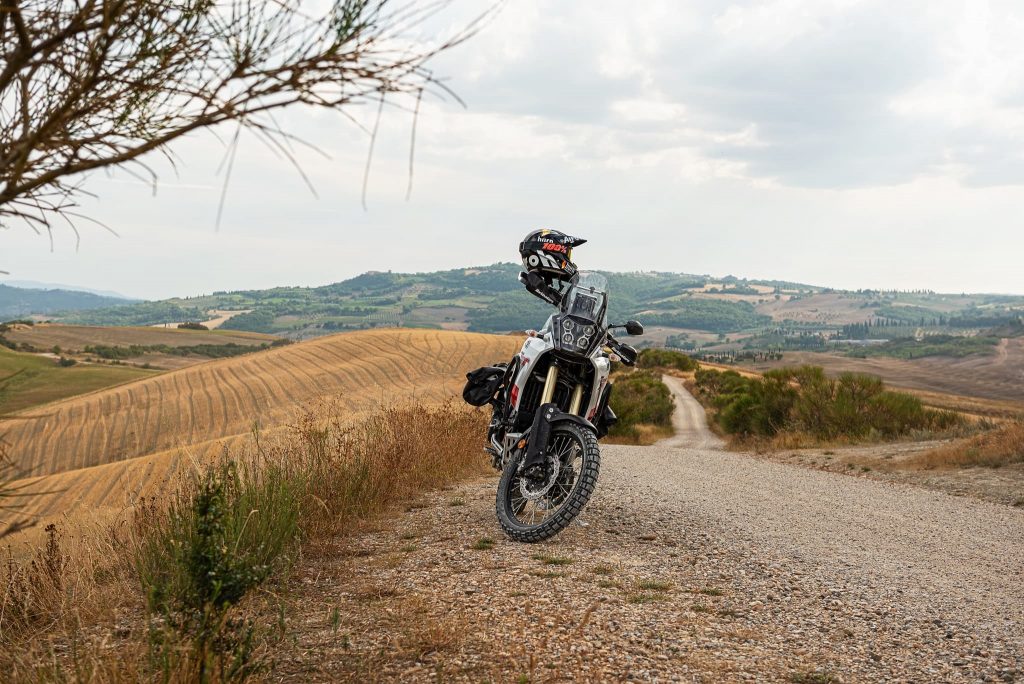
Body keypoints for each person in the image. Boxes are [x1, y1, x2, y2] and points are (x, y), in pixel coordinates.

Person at [518, 229, 588, 306]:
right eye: (567, 253)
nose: (569, 258)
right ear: (554, 250)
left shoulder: (534, 281)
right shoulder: (533, 281)